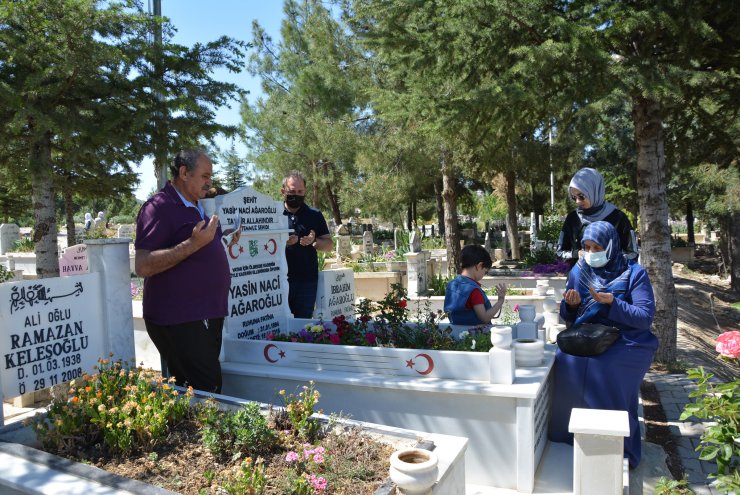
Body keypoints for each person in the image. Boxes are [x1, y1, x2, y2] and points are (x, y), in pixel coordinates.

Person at [548, 221, 658, 468]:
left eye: (596, 247)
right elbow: (570, 317)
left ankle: (618, 447)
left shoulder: (634, 273)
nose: (591, 253)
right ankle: (569, 436)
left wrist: (612, 303)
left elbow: (644, 317)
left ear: (611, 245)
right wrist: (572, 305)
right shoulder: (579, 270)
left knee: (605, 369)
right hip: (589, 335)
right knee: (565, 360)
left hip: (628, 338)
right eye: (586, 247)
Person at [134, 149, 239, 393]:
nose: (209, 182)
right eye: (204, 176)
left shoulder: (196, 206)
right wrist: (194, 244)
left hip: (205, 314)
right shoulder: (158, 207)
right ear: (184, 173)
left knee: (196, 391)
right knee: (207, 391)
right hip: (179, 317)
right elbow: (143, 265)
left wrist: (223, 241)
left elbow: (201, 250)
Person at [556, 167, 638, 268]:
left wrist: (612, 258)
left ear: (594, 191)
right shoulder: (573, 219)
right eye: (574, 197)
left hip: (611, 281)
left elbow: (633, 253)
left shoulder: (618, 218)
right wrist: (576, 254)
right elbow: (559, 253)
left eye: (581, 196)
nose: (577, 201)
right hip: (579, 280)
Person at [282, 171, 333, 318]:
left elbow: (329, 245)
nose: (296, 195)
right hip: (279, 281)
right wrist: (282, 243)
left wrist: (314, 241)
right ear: (283, 191)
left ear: (305, 192)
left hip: (307, 283)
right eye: (292, 191)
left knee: (302, 326)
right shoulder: (273, 214)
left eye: (300, 191)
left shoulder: (314, 214)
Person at [444, 244, 507, 325]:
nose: (484, 274)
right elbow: (484, 318)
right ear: (479, 266)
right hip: (475, 335)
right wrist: (501, 300)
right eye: (485, 271)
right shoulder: (474, 291)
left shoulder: (451, 284)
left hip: (455, 332)